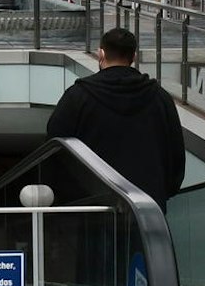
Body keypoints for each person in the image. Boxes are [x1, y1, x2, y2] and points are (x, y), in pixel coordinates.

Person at [46, 27, 184, 209]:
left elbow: (55, 144)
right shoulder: (160, 97)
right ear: (133, 57)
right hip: (148, 205)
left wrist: (67, 194)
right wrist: (163, 191)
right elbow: (175, 151)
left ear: (101, 54)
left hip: (92, 204)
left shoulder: (78, 95)